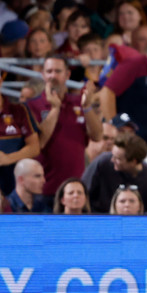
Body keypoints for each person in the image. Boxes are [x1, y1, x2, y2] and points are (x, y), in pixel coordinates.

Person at [27, 54, 102, 203]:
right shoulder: (31, 106)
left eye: (58, 71)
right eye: (49, 71)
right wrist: (55, 108)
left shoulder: (78, 103)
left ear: (67, 74)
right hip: (43, 191)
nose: (52, 76)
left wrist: (87, 107)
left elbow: (97, 136)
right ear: (42, 75)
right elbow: (39, 143)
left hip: (75, 191)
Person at [82, 132, 147, 213]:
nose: (112, 160)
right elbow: (82, 193)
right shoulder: (103, 163)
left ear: (133, 161)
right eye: (112, 155)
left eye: (118, 158)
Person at [0, 73, 40, 196]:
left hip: (16, 189)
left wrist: (8, 158)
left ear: (0, 81)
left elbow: (34, 147)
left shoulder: (19, 110)